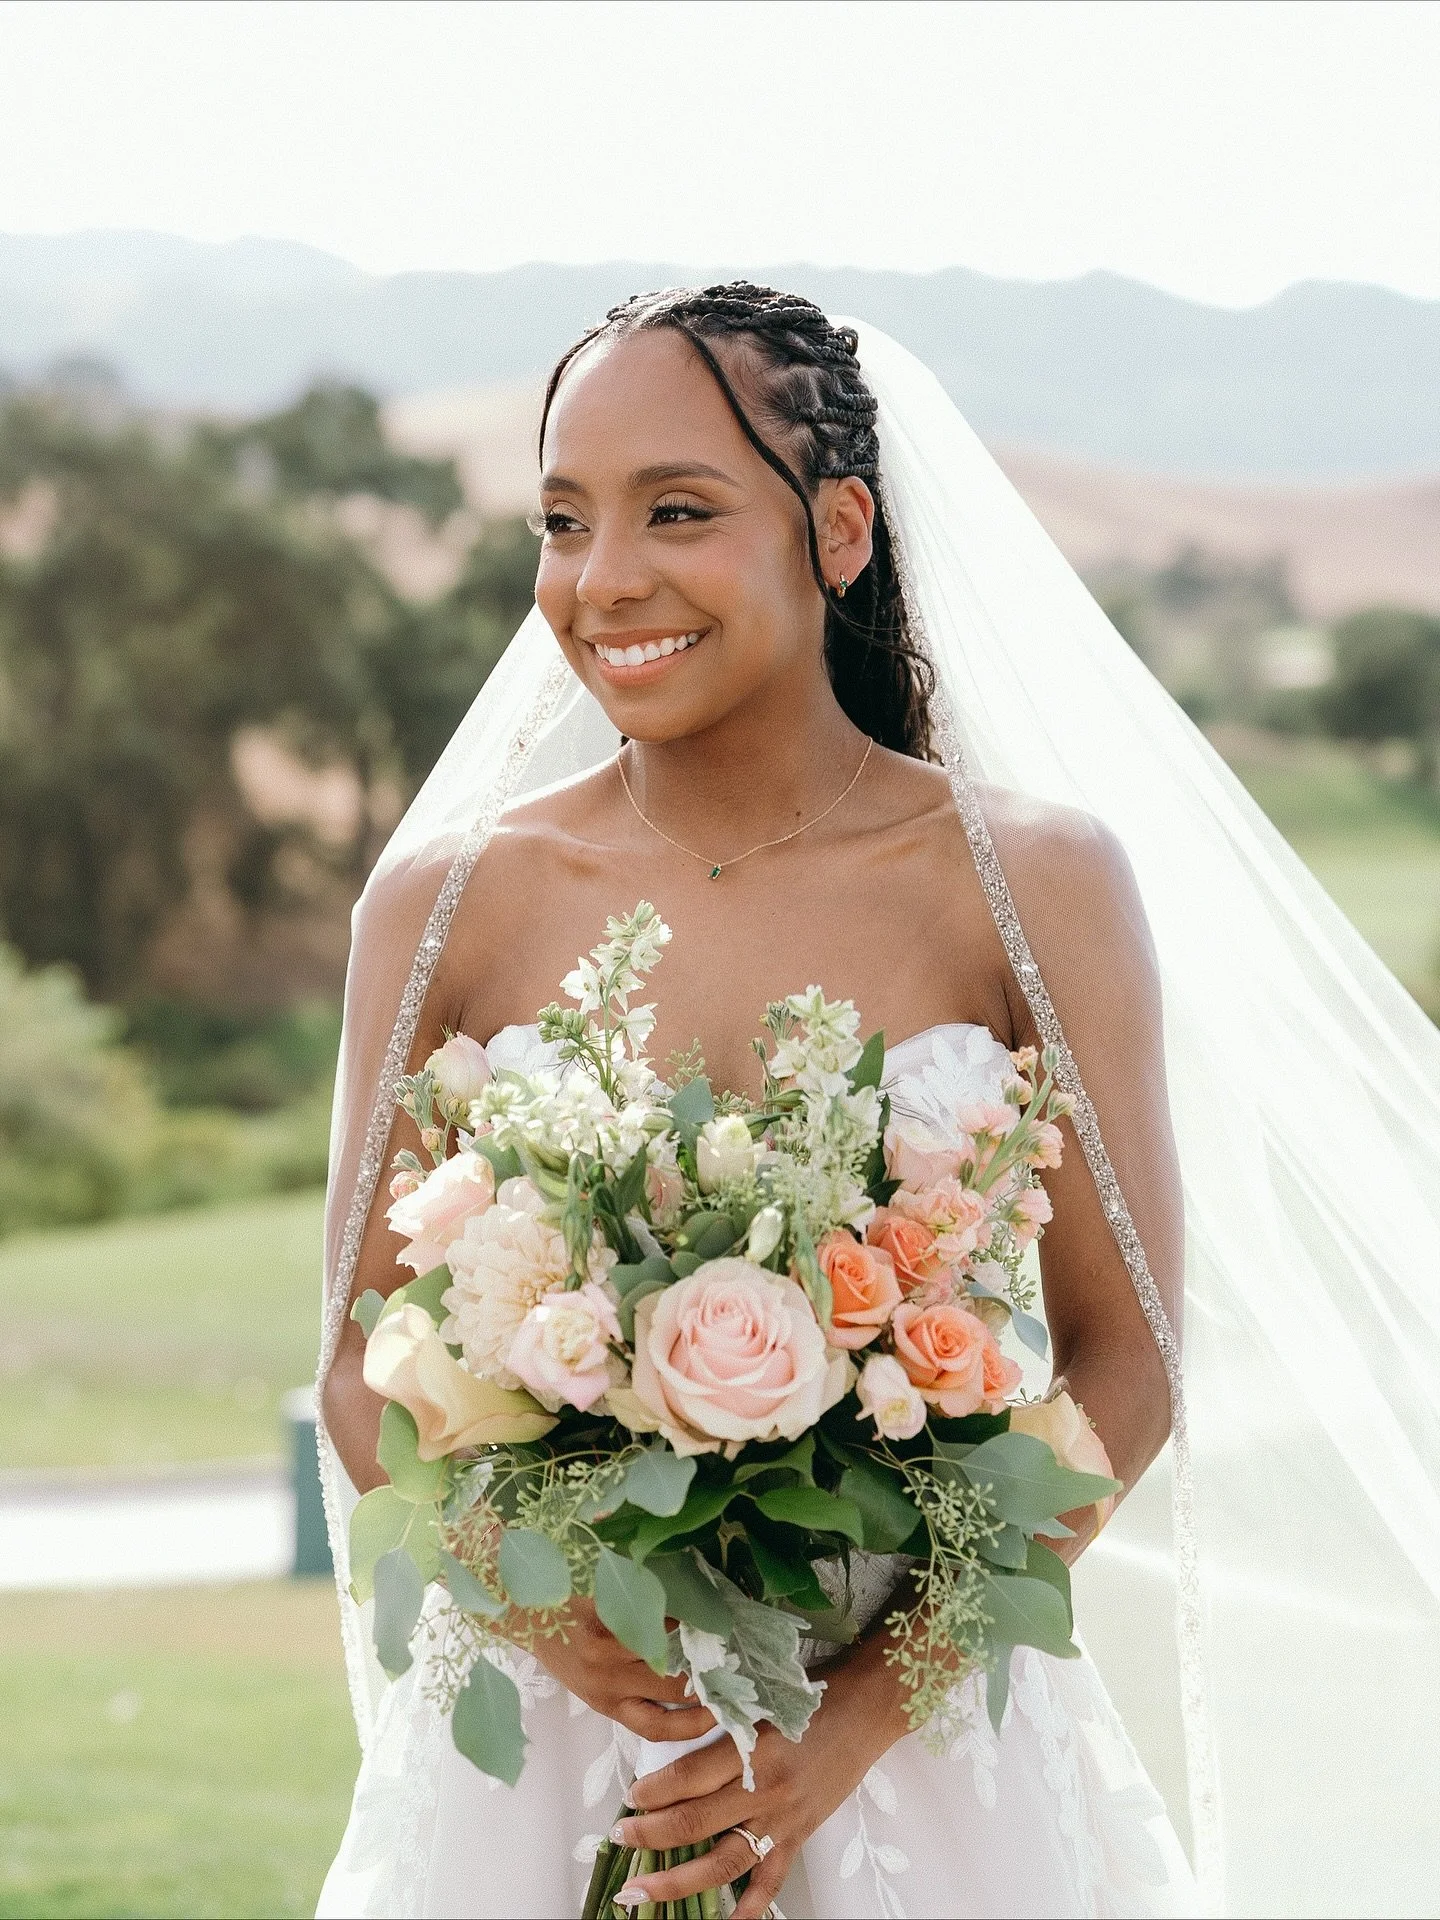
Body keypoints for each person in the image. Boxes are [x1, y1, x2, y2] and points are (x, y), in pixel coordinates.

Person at [316, 285, 1440, 1919]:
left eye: (677, 512)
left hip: (922, 1753)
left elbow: (1126, 1363)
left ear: (838, 528)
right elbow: (356, 1364)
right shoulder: (442, 903)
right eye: (562, 520)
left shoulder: (1027, 882)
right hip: (552, 1755)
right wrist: (553, 1621)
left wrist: (847, 1729)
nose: (603, 577)